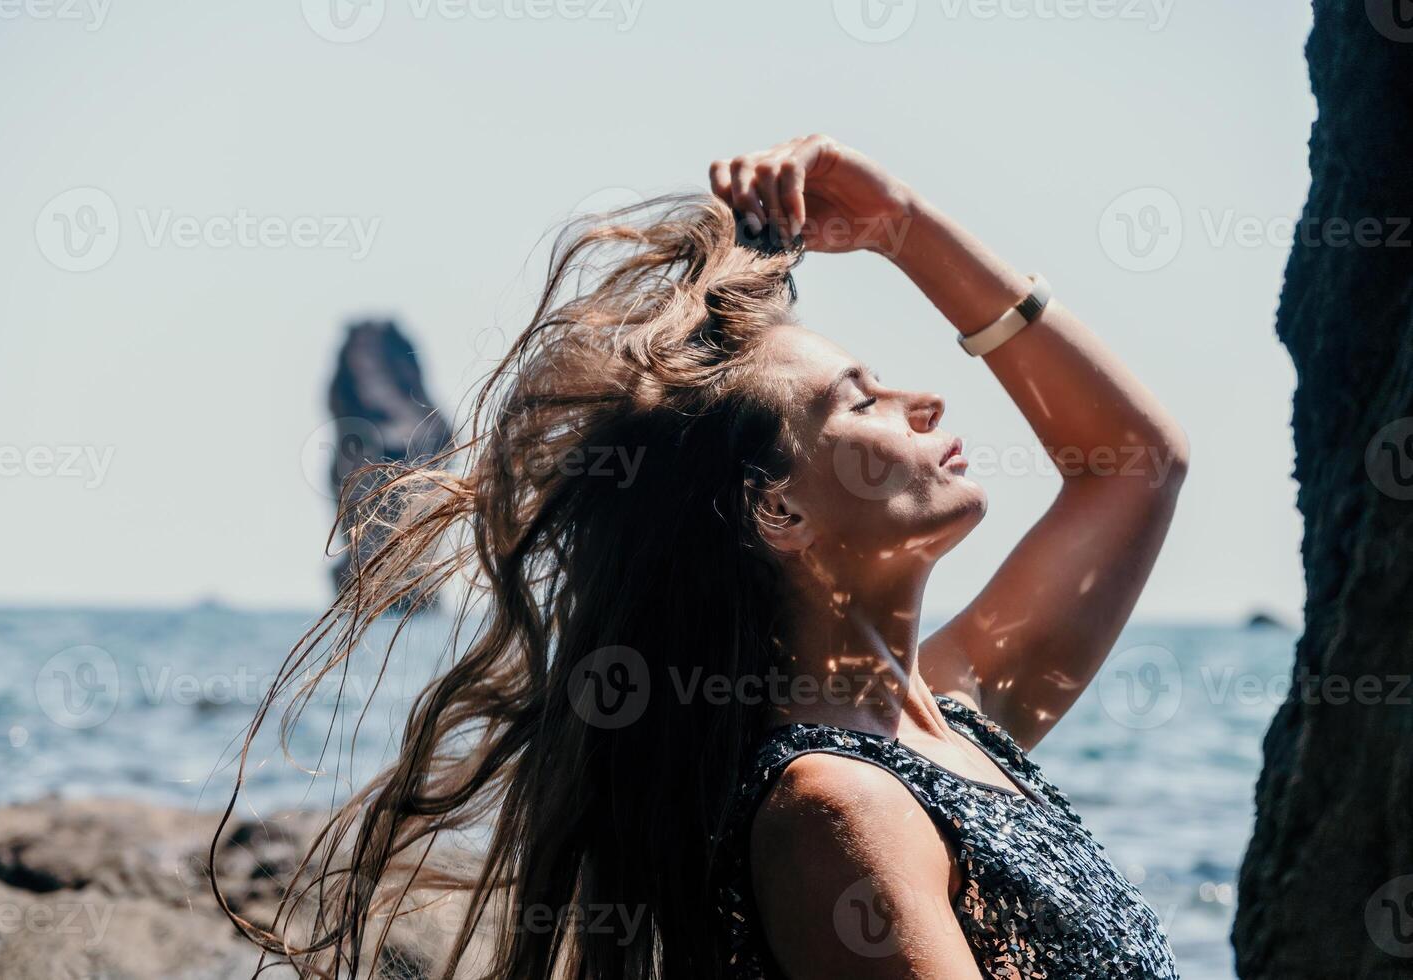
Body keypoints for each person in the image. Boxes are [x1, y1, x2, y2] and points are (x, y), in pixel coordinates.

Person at [219, 134, 1186, 979]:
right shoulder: (835, 808)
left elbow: (1134, 468)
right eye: (862, 398)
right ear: (780, 514)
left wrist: (904, 226)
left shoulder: (949, 722)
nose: (923, 401)